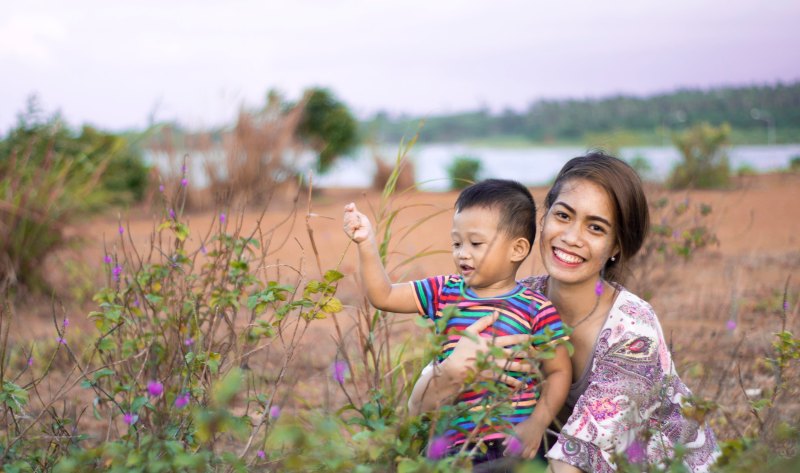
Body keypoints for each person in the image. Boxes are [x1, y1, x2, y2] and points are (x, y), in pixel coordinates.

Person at [409, 153, 719, 472]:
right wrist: (450, 372)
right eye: (563, 216)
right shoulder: (516, 299)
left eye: (596, 228)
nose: (571, 238)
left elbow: (572, 463)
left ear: (616, 247)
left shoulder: (632, 332)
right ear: (543, 220)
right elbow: (417, 411)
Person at [343, 179, 572, 465]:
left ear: (517, 249)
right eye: (456, 242)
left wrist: (538, 423)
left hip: (513, 445)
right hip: (452, 449)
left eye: (475, 243)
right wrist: (366, 243)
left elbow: (559, 371)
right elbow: (384, 295)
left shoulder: (536, 308)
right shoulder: (444, 291)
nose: (462, 252)